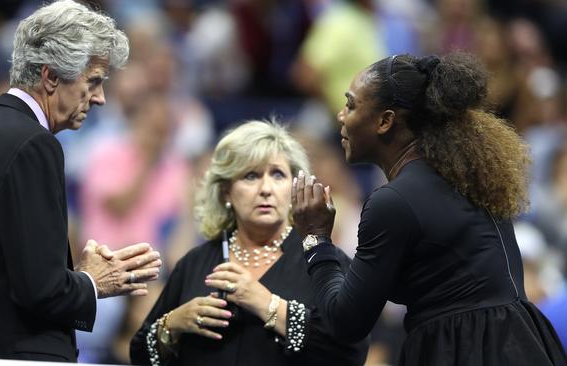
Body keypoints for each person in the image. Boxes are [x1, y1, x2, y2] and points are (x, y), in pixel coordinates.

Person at [0, 0, 162, 362]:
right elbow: (40, 292)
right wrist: (94, 281)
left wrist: (71, 273)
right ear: (50, 77)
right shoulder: (35, 145)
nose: (100, 98)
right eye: (92, 82)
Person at [291, 52, 567, 365]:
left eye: (351, 104)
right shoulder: (471, 176)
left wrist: (316, 238)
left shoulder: (392, 202)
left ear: (385, 121)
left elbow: (345, 323)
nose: (341, 116)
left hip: (465, 353)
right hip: (524, 345)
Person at [130, 120, 368, 365]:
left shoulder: (323, 261)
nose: (266, 188)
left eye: (278, 174)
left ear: (294, 188)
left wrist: (267, 304)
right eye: (251, 176)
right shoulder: (194, 263)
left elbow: (350, 352)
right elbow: (139, 356)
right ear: (226, 192)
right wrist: (174, 324)